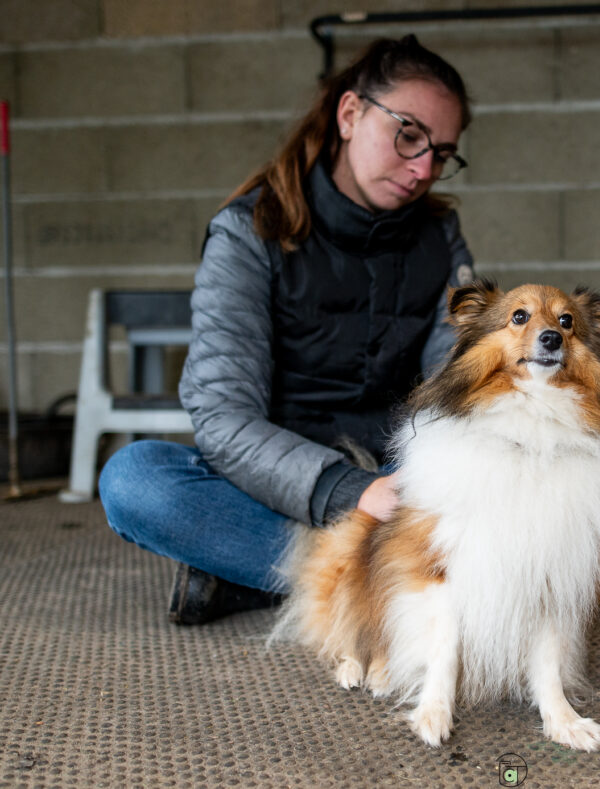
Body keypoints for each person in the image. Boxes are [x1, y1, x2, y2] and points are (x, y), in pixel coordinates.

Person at [99, 35, 475, 625]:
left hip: (397, 479)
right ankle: (386, 583)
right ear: (349, 114)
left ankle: (265, 581)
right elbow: (223, 418)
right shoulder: (249, 232)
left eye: (442, 153)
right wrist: (348, 492)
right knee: (135, 481)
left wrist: (427, 479)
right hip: (282, 483)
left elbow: (451, 387)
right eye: (408, 135)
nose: (423, 168)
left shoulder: (439, 237)